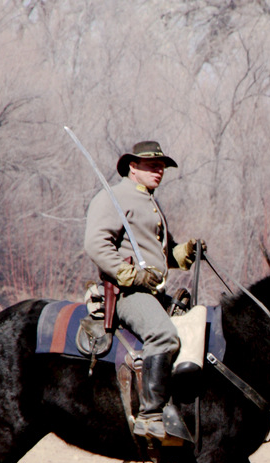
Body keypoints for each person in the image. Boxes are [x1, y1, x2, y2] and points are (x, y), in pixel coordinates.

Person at [84, 140, 203, 440]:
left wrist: (185, 252)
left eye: (161, 166)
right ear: (132, 167)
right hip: (127, 293)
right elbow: (96, 244)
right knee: (164, 335)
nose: (159, 170)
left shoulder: (148, 201)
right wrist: (131, 275)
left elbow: (163, 256)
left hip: (152, 292)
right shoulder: (114, 197)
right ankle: (150, 417)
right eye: (152, 165)